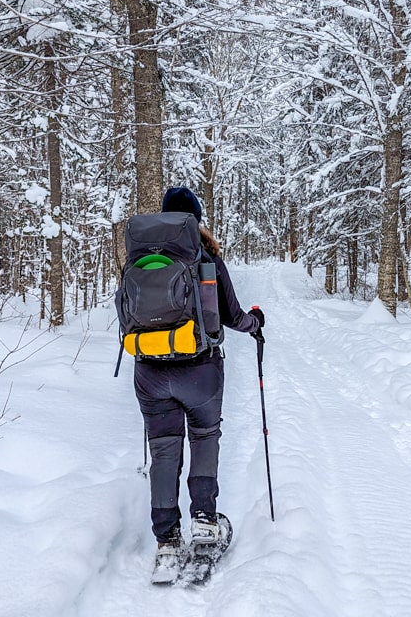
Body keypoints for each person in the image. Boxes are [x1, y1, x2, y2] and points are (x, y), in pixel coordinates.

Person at [135, 186, 264, 582]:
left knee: (164, 449)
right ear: (196, 219)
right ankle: (205, 523)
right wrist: (256, 324)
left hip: (150, 371)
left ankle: (167, 540)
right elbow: (232, 314)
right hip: (201, 370)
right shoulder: (206, 257)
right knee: (204, 438)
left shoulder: (140, 257)